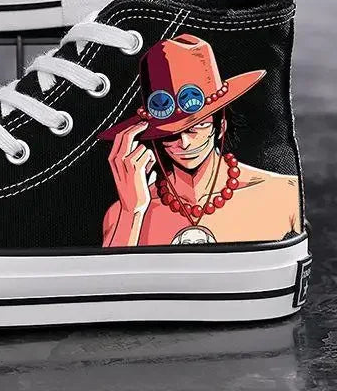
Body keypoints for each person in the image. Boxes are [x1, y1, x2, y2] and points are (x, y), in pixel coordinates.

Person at [101, 34, 299, 246]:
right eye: (169, 134)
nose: (184, 143)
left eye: (196, 127)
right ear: (154, 137)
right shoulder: (124, 213)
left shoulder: (285, 194)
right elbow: (109, 269)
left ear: (220, 125)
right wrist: (132, 211)